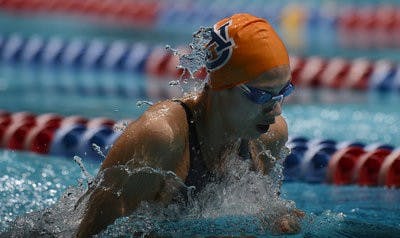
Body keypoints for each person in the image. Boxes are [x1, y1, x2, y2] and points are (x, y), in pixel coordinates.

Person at [76, 13, 304, 237]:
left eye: (284, 92)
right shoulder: (161, 139)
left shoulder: (269, 137)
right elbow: (91, 233)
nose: (276, 110)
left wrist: (278, 219)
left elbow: (258, 213)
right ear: (222, 86)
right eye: (261, 95)